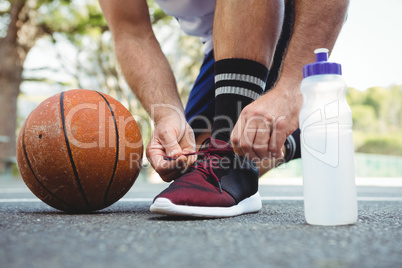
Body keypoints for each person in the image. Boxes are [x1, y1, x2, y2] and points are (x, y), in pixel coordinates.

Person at [99, 0, 349, 218]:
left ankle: (230, 160)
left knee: (219, 164)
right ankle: (297, 135)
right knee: (192, 160)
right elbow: (132, 32)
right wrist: (167, 114)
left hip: (294, 23)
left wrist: (292, 88)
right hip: (224, 41)